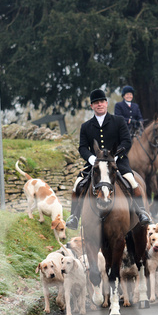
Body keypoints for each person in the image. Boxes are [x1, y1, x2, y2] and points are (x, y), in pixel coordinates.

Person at [65, 89, 152, 230]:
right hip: (95, 165)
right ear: (92, 106)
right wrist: (92, 159)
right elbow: (82, 148)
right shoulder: (86, 126)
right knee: (77, 184)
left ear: (106, 103)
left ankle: (141, 212)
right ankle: (74, 216)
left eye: (101, 102)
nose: (99, 105)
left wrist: (116, 156)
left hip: (117, 162)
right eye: (96, 103)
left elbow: (126, 141)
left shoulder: (118, 121)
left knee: (132, 181)